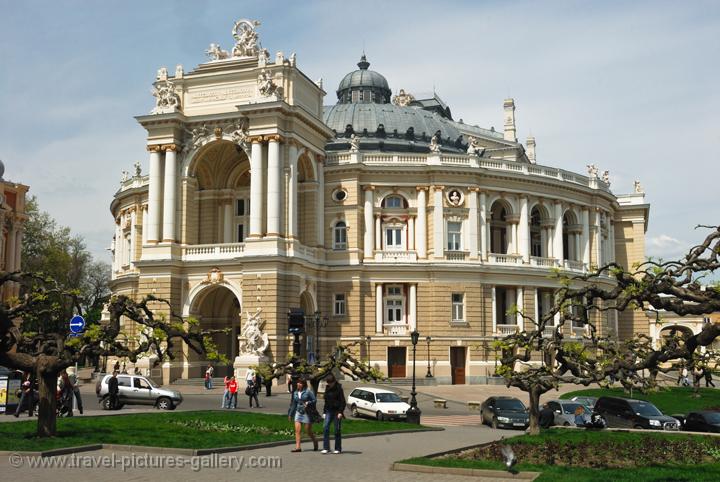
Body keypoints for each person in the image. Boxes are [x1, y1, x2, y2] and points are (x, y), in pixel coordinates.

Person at [287, 379, 319, 452]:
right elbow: (294, 404)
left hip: (306, 412)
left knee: (308, 431)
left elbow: (314, 400)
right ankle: (298, 447)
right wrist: (290, 414)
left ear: (304, 385)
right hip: (298, 412)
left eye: (300, 383)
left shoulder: (308, 392)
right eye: (298, 383)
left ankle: (315, 441)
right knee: (297, 431)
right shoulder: (295, 393)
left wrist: (308, 402)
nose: (298, 384)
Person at [321, 374, 345, 454]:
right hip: (328, 410)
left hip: (337, 411)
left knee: (336, 430)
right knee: (325, 427)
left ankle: (338, 448)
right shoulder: (327, 388)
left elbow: (343, 402)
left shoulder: (339, 389)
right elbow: (326, 401)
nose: (329, 384)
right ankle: (326, 447)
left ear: (334, 382)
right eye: (328, 383)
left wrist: (340, 412)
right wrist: (324, 412)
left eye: (330, 383)